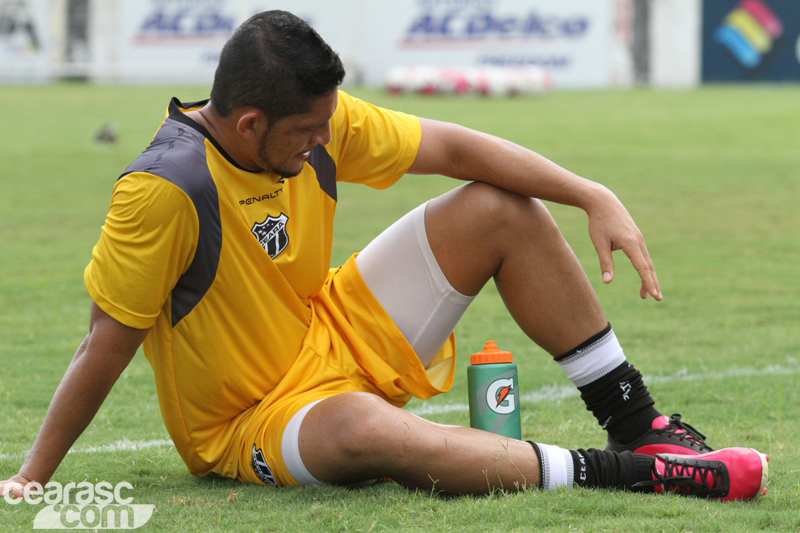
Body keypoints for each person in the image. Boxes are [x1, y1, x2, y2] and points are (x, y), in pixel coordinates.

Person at [1, 10, 767, 502]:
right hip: (253, 419)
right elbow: (104, 343)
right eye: (306, 131)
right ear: (247, 123)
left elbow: (455, 145)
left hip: (332, 325)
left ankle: (639, 425)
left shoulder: (318, 121)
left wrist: (589, 192)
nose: (325, 139)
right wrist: (31, 479)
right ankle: (634, 474)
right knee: (365, 434)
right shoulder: (163, 190)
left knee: (499, 205)